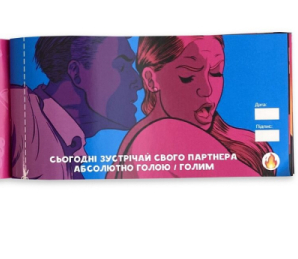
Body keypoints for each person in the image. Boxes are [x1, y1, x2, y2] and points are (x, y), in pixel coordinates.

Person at [107, 35, 274, 179]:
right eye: (187, 75)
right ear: (151, 80)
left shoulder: (134, 139)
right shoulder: (161, 135)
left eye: (216, 72)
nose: (207, 89)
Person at [11, 36, 142, 179]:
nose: (139, 82)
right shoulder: (19, 113)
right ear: (76, 72)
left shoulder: (73, 162)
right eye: (122, 67)